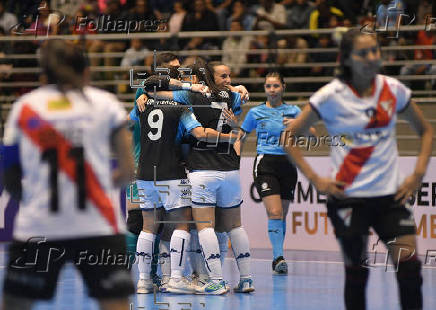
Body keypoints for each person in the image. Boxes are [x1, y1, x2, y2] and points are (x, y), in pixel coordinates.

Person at [282, 28, 433, 310]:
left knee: (410, 271)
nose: (371, 57)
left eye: (375, 50)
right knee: (357, 275)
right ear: (346, 59)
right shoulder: (330, 95)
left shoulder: (393, 89)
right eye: (363, 53)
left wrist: (417, 175)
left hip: (391, 198)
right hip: (348, 199)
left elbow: (425, 131)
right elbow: (289, 137)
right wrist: (316, 179)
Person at [1, 40, 135, 310]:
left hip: (39, 227)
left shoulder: (25, 108)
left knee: (15, 305)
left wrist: (34, 197)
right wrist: (108, 183)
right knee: (115, 304)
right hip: (99, 225)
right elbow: (128, 170)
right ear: (86, 71)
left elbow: (9, 174)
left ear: (43, 75)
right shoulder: (105, 103)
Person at [145, 59, 254, 295]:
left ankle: (215, 279)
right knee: (235, 225)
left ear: (196, 78)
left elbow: (151, 87)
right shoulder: (233, 97)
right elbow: (238, 99)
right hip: (231, 169)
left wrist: (182, 88)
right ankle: (246, 278)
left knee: (204, 226)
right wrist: (238, 89)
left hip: (202, 169)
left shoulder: (188, 97)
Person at [228, 72, 315, 274]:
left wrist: (298, 127)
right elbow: (241, 136)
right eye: (268, 86)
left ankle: (278, 255)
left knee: (282, 215)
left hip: (288, 164)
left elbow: (312, 137)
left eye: (276, 86)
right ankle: (278, 257)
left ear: (283, 87)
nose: (272, 90)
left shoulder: (294, 110)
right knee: (274, 212)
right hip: (265, 163)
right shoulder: (256, 112)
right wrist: (233, 128)